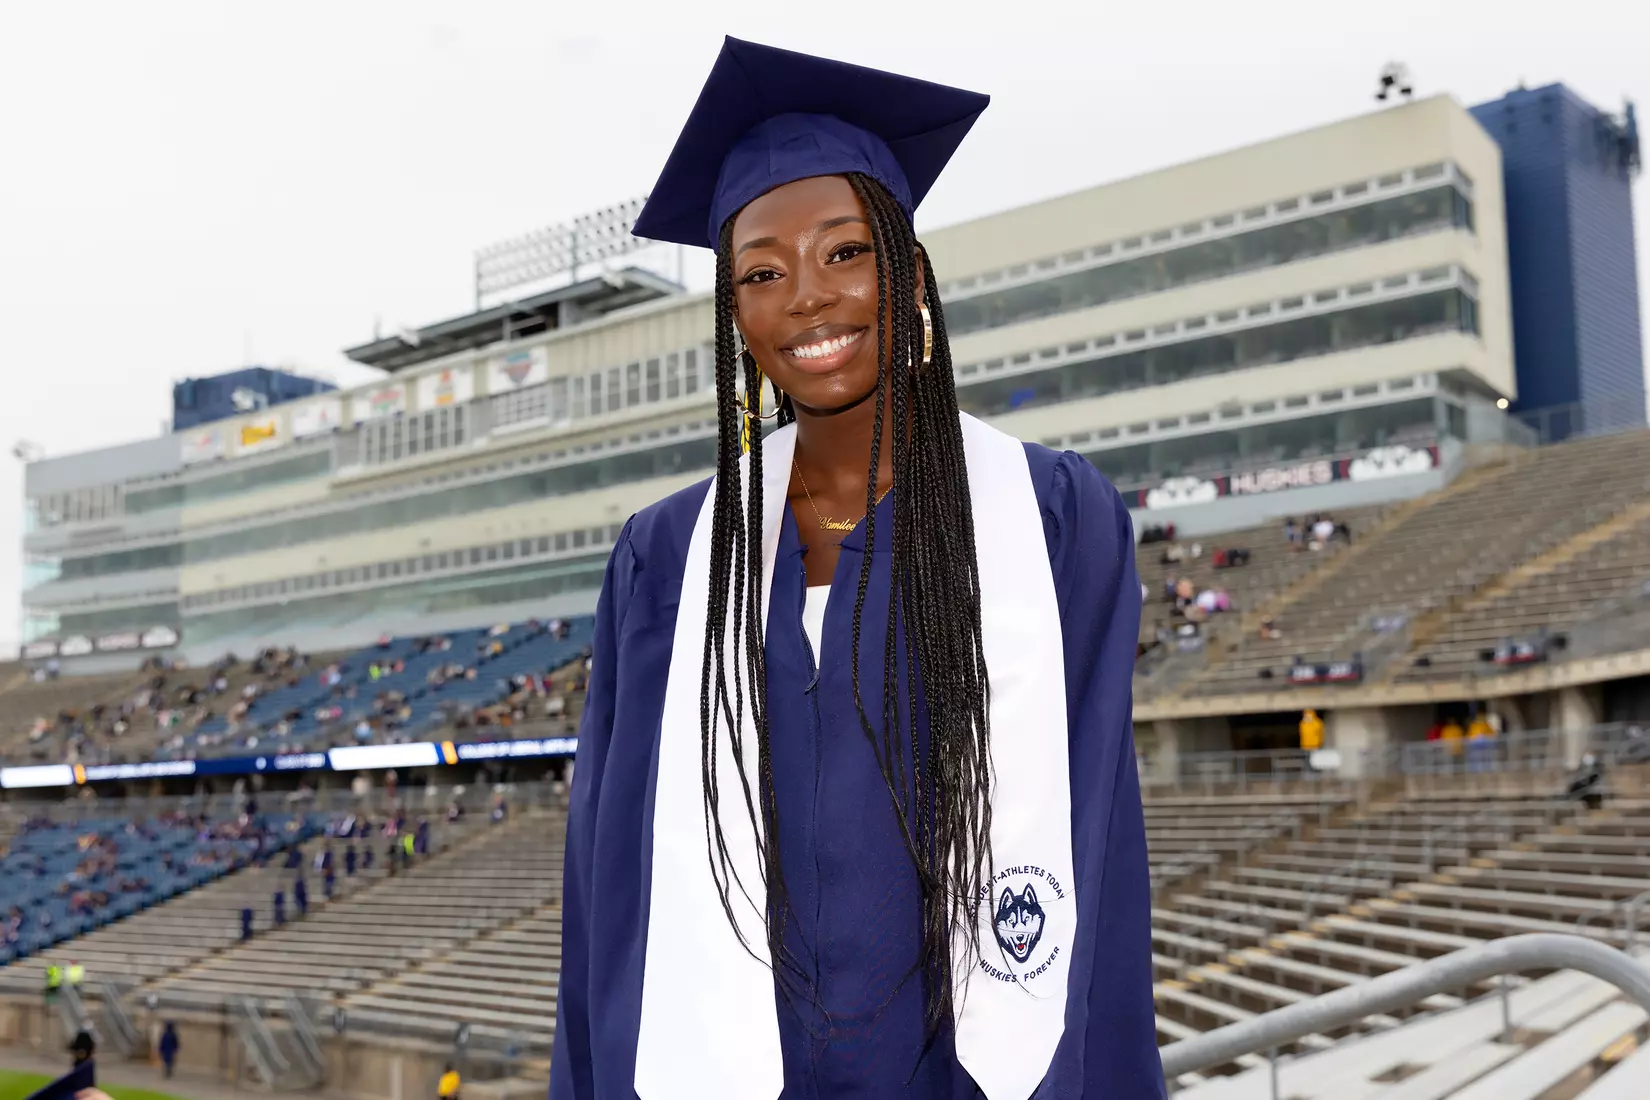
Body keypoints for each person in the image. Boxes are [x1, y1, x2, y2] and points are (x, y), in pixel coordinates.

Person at [550, 37, 1161, 1100]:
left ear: (910, 273)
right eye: (761, 271)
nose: (807, 297)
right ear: (734, 315)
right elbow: (610, 882)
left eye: (845, 251)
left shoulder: (1053, 516)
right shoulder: (667, 557)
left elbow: (1096, 850)